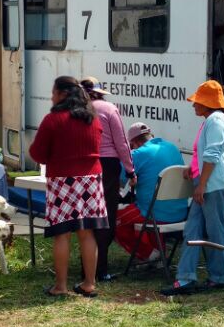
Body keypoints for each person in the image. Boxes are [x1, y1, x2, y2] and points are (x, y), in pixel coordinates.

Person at [28, 76, 108, 298]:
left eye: (53, 93)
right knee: (87, 233)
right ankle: (89, 284)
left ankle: (60, 286)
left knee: (62, 234)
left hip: (62, 180)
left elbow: (38, 153)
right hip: (91, 179)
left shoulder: (53, 120)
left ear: (62, 94)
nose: (51, 97)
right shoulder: (93, 119)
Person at [162, 80, 224, 296]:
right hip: (210, 185)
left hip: (212, 186)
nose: (194, 105)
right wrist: (192, 169)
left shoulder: (215, 121)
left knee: (212, 232)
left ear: (206, 103)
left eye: (197, 102)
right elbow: (207, 156)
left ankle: (218, 277)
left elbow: (212, 155)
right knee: (194, 230)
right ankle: (186, 278)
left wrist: (201, 184)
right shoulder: (213, 120)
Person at [80, 77, 135, 281]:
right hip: (107, 167)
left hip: (83, 166)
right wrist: (130, 171)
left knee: (88, 218)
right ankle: (100, 270)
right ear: (99, 93)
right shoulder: (108, 108)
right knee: (105, 217)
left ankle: (86, 268)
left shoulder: (75, 110)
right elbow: (121, 143)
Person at [114, 122, 189, 263]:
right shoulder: (172, 147)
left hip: (154, 214)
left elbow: (119, 176)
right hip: (181, 212)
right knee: (150, 204)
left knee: (113, 221)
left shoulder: (138, 153)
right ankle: (160, 255)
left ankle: (149, 255)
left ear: (134, 143)